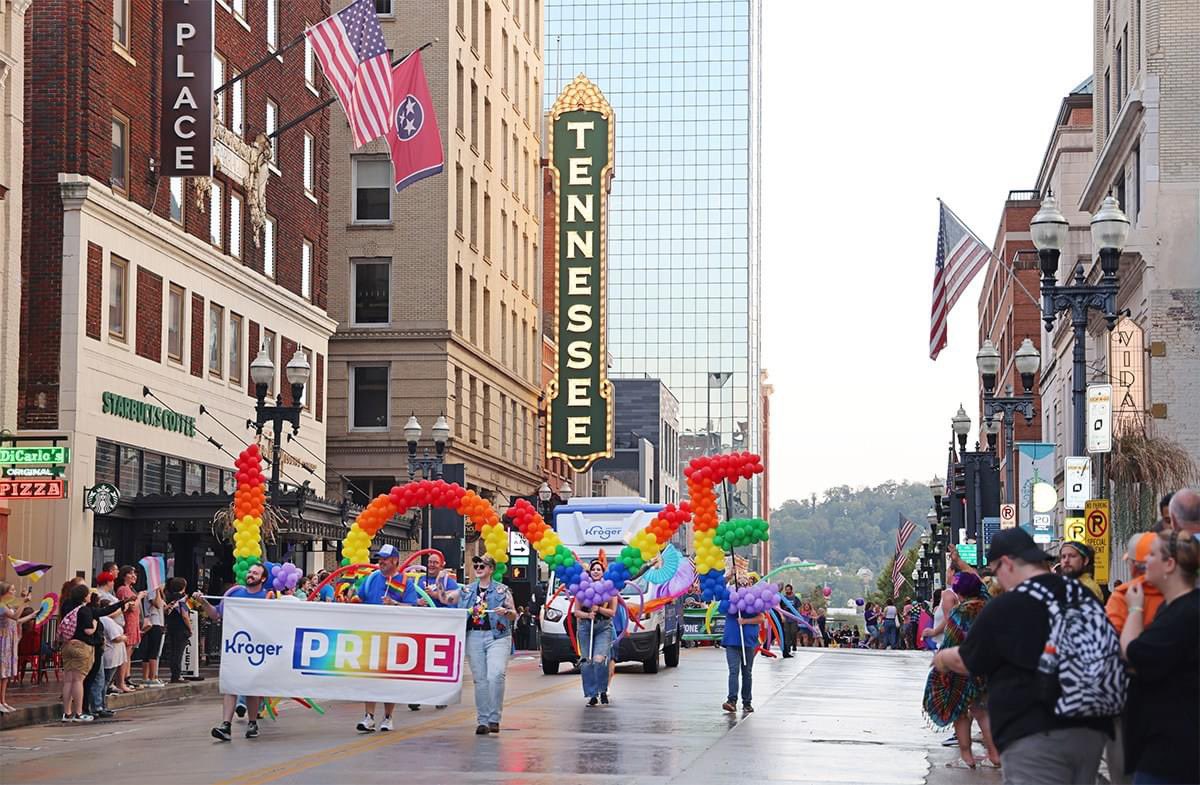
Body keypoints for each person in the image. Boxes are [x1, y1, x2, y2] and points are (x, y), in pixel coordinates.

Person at [933, 528, 1113, 784]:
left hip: (1035, 731)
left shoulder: (1009, 605)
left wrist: (943, 658)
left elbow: (969, 660)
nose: (997, 581)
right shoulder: (1082, 594)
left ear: (1006, 563)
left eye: (995, 572)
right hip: (1089, 729)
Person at [1118, 530, 1199, 784]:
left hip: (1172, 751)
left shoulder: (1184, 614)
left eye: (1152, 554)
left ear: (1170, 564)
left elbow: (1133, 652)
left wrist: (1135, 609)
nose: (1144, 561)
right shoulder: (1175, 608)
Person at [922, 572, 1000, 770]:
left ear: (959, 592)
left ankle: (967, 756)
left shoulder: (960, 612)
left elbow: (951, 641)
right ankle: (994, 754)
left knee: (960, 712)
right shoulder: (989, 605)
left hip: (962, 668)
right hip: (987, 667)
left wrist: (941, 663)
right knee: (982, 712)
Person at [192, 563, 270, 741]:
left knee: (252, 688)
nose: (250, 575)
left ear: (263, 579)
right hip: (234, 648)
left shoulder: (267, 597)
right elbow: (216, 615)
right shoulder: (234, 593)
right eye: (250, 572)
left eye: (255, 573)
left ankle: (252, 723)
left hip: (257, 649)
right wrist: (203, 602)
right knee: (231, 685)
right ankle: (226, 725)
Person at [352, 544, 419, 729]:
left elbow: (412, 608)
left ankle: (388, 717)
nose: (381, 561)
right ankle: (368, 716)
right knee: (370, 676)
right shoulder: (371, 578)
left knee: (390, 678)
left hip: (394, 636)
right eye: (379, 558)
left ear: (395, 561)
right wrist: (351, 599)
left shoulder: (405, 581)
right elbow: (360, 598)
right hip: (370, 634)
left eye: (385, 558)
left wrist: (395, 603)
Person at [460, 554, 517, 735]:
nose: (478, 567)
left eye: (482, 565)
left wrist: (506, 611)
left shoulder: (502, 590)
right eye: (476, 565)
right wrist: (438, 584)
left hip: (497, 636)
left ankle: (494, 717)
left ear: (491, 569)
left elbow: (514, 614)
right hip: (474, 635)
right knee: (480, 680)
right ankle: (483, 720)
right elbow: (448, 599)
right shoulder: (467, 590)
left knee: (496, 675)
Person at [573, 560, 618, 707]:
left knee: (599, 659)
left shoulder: (610, 589)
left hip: (604, 627)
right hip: (585, 627)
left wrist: (599, 610)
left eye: (599, 569)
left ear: (603, 572)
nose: (596, 571)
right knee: (586, 662)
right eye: (594, 569)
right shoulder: (582, 588)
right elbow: (576, 611)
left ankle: (602, 690)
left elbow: (612, 612)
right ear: (590, 572)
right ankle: (592, 695)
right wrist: (587, 615)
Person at [722, 574, 763, 714]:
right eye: (740, 582)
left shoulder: (754, 600)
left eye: (746, 582)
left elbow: (760, 618)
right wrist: (729, 575)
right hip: (732, 641)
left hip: (748, 642)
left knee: (747, 673)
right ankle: (731, 700)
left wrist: (745, 621)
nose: (743, 584)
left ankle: (747, 702)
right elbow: (720, 589)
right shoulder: (730, 597)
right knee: (733, 671)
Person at [59, 583, 97, 721]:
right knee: (78, 680)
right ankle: (79, 713)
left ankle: (67, 713)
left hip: (67, 645)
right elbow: (88, 630)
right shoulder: (84, 610)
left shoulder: (66, 607)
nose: (89, 596)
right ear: (83, 597)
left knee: (68, 680)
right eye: (88, 594)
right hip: (81, 646)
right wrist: (95, 623)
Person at [0, 583, 36, 712]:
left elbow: (17, 620)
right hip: (3, 641)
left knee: (6, 673)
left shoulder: (8, 605)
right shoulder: (2, 607)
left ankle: (3, 700)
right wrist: (24, 602)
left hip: (9, 641)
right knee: (2, 671)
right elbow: (15, 617)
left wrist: (31, 615)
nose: (14, 592)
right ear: (5, 593)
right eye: (12, 590)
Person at [114, 565, 143, 691]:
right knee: (126, 652)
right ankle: (121, 680)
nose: (134, 576)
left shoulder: (130, 589)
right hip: (129, 622)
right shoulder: (123, 589)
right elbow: (131, 607)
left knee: (129, 653)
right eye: (131, 574)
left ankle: (127, 677)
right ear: (124, 575)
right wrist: (140, 597)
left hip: (134, 622)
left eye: (135, 574)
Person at [161, 578, 191, 684]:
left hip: (171, 626)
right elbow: (184, 615)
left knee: (173, 652)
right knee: (178, 652)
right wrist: (190, 628)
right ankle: (176, 676)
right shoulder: (182, 599)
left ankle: (174, 674)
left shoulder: (168, 597)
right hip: (181, 628)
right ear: (183, 586)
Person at [139, 584, 166, 687]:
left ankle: (146, 677)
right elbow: (157, 604)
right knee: (153, 650)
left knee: (149, 650)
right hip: (154, 623)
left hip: (156, 622)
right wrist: (158, 591)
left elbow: (162, 607)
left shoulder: (156, 593)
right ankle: (152, 677)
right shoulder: (153, 591)